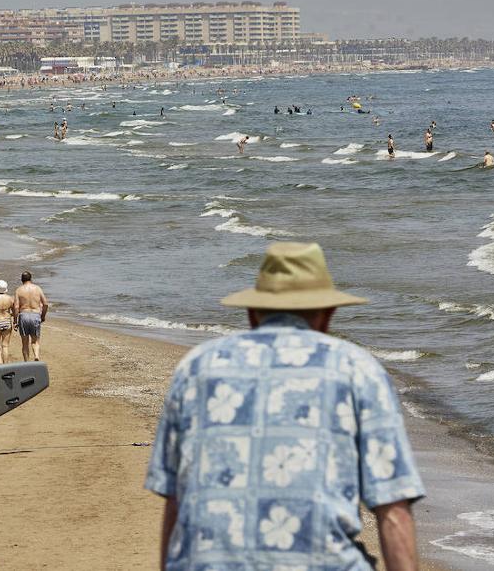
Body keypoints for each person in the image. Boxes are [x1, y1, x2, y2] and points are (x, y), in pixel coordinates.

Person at [145, 242, 424, 570]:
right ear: (327, 315)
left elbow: (175, 501)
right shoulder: (356, 369)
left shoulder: (196, 367)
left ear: (252, 314)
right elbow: (392, 509)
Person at [14, 270, 49, 361]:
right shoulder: (37, 288)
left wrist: (15, 321)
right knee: (35, 341)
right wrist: (43, 316)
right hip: (35, 315)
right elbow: (45, 304)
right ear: (31, 278)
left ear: (22, 280)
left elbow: (16, 307)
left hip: (24, 315)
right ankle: (36, 356)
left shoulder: (19, 290)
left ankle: (26, 362)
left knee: (25, 343)